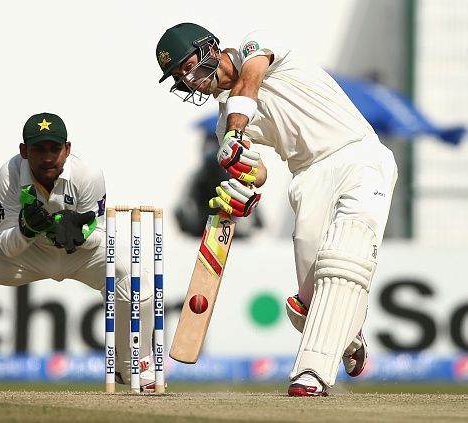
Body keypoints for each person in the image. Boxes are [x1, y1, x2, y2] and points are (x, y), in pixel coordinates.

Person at [156, 23, 398, 396]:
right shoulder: (224, 125)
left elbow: (249, 80)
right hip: (309, 178)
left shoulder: (257, 48)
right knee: (306, 305)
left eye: (189, 67)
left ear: (210, 48)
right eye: (180, 78)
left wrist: (236, 135)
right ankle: (349, 334)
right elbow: (259, 170)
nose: (189, 80)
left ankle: (310, 376)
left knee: (343, 258)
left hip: (359, 154)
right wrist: (241, 188)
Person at [0, 112, 156, 392]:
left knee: (135, 276)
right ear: (24, 151)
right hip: (28, 252)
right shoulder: (8, 176)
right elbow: (8, 244)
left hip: (80, 255)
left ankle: (134, 366)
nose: (48, 158)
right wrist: (26, 228)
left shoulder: (88, 174)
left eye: (55, 149)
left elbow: (102, 237)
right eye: (38, 149)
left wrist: (77, 232)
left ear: (67, 149)